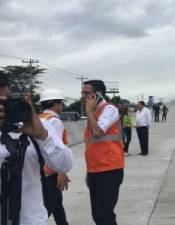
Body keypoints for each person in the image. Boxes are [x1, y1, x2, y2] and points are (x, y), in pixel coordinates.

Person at [0, 72, 73, 225]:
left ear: (8, 95)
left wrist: (43, 136)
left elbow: (65, 164)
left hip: (30, 218)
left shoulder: (37, 124)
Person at [82, 80, 124, 225]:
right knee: (97, 215)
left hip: (110, 169)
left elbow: (98, 132)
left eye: (87, 93)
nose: (83, 96)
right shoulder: (93, 114)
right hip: (95, 170)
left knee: (104, 215)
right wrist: (89, 172)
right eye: (83, 92)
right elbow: (91, 147)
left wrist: (88, 110)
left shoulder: (109, 109)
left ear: (98, 94)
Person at [39, 89, 71, 225]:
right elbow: (55, 150)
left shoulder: (40, 118)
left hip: (42, 169)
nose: (62, 107)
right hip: (51, 171)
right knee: (48, 206)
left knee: (58, 204)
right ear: (56, 104)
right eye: (62, 103)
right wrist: (61, 172)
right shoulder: (55, 121)